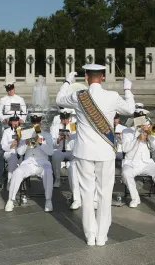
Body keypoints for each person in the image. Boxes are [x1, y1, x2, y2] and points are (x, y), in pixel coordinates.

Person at [56, 64, 135, 247]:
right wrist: (128, 89)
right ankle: (101, 236)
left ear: (86, 77)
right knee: (105, 194)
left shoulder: (79, 96)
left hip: (84, 152)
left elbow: (59, 99)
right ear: (103, 77)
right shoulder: (113, 96)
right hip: (105, 152)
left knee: (86, 193)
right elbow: (130, 109)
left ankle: (90, 236)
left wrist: (67, 81)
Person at [5, 113, 54, 212]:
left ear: (40, 122)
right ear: (31, 123)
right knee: (17, 172)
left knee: (48, 172)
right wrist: (25, 143)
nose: (35, 124)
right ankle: (10, 200)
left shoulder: (47, 135)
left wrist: (41, 142)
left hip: (43, 162)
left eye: (37, 122)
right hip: (28, 163)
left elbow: (51, 152)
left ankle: (48, 200)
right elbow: (19, 152)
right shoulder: (25, 134)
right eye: (33, 122)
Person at [120, 123, 155, 214]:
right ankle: (135, 198)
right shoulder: (127, 131)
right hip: (131, 162)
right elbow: (125, 149)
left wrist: (149, 135)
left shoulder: (150, 130)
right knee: (126, 173)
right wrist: (138, 139)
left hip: (146, 162)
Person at [51, 108, 77, 188]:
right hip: (59, 150)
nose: (65, 120)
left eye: (66, 118)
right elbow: (52, 143)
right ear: (60, 118)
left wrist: (71, 136)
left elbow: (77, 140)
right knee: (55, 156)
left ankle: (75, 179)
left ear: (69, 118)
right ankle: (57, 179)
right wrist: (58, 140)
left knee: (77, 158)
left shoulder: (73, 126)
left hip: (70, 150)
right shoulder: (55, 127)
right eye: (63, 118)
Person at [0, 114, 23, 189]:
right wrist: (11, 146)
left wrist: (21, 141)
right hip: (9, 152)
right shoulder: (6, 132)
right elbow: (3, 146)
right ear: (10, 122)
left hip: (21, 152)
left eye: (16, 121)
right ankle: (10, 182)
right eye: (13, 121)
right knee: (13, 158)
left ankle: (20, 183)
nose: (15, 123)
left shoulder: (22, 131)